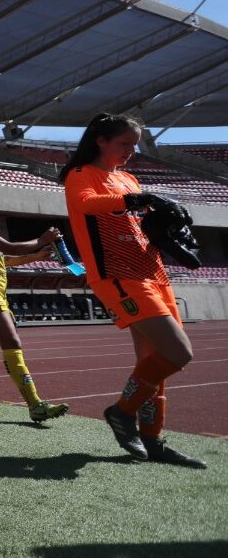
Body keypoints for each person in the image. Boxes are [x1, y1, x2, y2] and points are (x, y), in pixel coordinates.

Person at [62, 113, 205, 468]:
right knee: (178, 353)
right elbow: (85, 204)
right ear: (101, 141)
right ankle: (121, 412)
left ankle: (153, 440)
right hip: (118, 275)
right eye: (125, 143)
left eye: (135, 145)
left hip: (153, 273)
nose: (131, 151)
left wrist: (167, 223)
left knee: (151, 364)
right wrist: (138, 199)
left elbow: (141, 219)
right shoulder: (81, 175)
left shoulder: (127, 178)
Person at [0, 187, 69, 423]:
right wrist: (41, 240)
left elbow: (4, 260)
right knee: (12, 342)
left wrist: (36, 256)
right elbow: (10, 247)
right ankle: (35, 404)